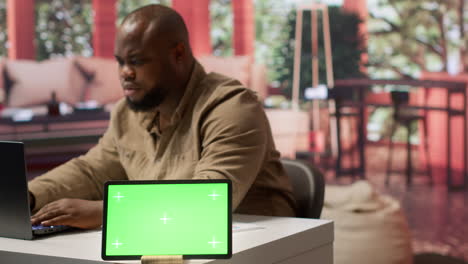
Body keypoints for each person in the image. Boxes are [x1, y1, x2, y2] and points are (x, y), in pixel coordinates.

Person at [29, 4, 296, 230]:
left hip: (255, 241)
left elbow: (211, 201)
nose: (125, 73)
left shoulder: (232, 107)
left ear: (178, 54)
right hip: (166, 235)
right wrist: (28, 197)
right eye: (121, 62)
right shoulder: (127, 112)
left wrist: (104, 212)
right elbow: (91, 171)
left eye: (137, 61)